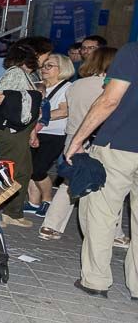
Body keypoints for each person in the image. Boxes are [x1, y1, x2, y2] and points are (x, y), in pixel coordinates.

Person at [66, 41, 138, 299]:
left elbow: (109, 100)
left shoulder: (132, 51)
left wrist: (78, 139)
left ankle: (96, 280)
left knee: (101, 213)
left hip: (118, 145)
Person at [40, 47, 117, 241]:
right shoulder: (111, 87)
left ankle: (50, 226)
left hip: (72, 138)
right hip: (97, 140)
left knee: (70, 182)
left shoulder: (76, 85)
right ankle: (115, 233)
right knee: (109, 186)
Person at [0, 43, 41, 228]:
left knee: (23, 171)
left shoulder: (23, 74)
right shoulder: (16, 73)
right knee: (12, 171)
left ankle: (12, 212)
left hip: (17, 131)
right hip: (10, 130)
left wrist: (32, 132)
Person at [24, 53, 74, 218]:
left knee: (39, 169)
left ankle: (48, 200)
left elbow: (63, 111)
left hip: (54, 134)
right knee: (29, 167)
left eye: (49, 66)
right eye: (44, 65)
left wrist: (37, 116)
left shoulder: (67, 87)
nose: (44, 69)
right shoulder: (37, 84)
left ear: (62, 69)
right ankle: (33, 202)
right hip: (34, 131)